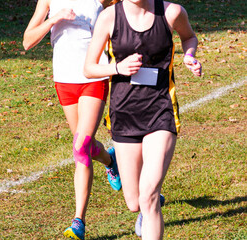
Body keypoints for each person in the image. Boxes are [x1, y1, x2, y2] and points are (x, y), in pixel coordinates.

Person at [83, 0, 202, 239]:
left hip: (160, 111)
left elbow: (189, 37)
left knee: (147, 197)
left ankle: (151, 199)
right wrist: (118, 68)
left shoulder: (171, 12)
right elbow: (89, 68)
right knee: (134, 202)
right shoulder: (109, 17)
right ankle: (149, 201)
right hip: (124, 114)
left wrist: (189, 55)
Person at [23, 0, 122, 239]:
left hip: (93, 76)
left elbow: (125, 18)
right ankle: (111, 161)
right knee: (84, 146)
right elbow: (27, 41)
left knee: (80, 147)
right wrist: (53, 19)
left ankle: (79, 221)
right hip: (64, 80)